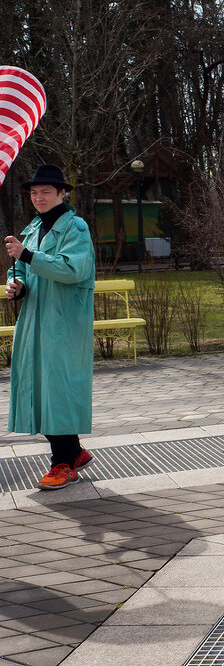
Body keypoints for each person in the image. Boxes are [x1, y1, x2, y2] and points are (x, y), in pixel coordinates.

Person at [4, 164, 95, 490]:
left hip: (63, 325)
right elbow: (25, 274)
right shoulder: (32, 228)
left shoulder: (76, 228)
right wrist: (17, 286)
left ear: (62, 193)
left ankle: (63, 463)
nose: (38, 197)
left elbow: (73, 269)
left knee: (57, 391)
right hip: (34, 324)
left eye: (45, 191)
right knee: (38, 390)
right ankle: (75, 453)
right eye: (33, 192)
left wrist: (27, 255)